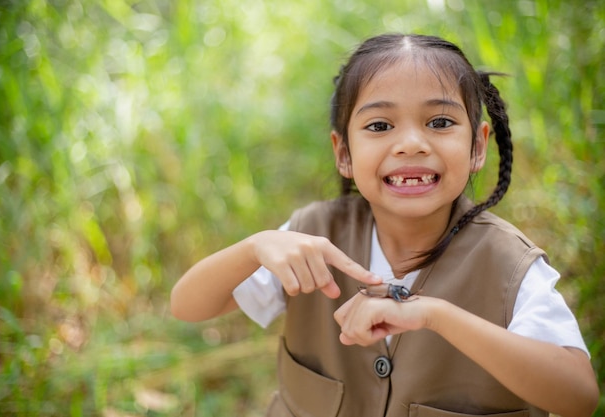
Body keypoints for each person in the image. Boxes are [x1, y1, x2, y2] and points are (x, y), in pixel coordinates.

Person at [170, 33, 598, 417]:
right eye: (379, 125)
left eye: (440, 122)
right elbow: (188, 307)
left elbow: (578, 396)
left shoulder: (509, 266)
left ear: (478, 146)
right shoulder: (313, 233)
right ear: (344, 154)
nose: (411, 143)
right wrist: (253, 247)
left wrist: (435, 316)